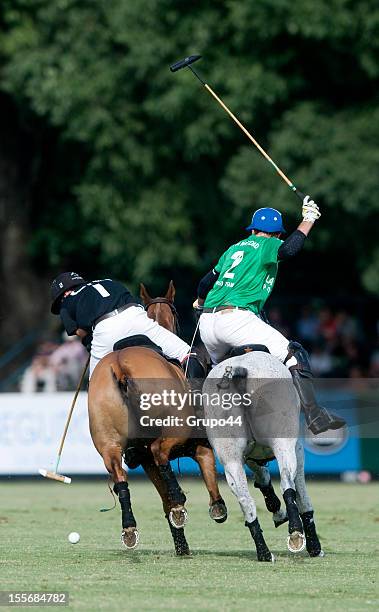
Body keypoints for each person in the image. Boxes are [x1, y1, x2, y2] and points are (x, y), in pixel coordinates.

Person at [193, 196, 346, 435]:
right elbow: (290, 249)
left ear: (252, 229)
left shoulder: (233, 248)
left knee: (217, 372)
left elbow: (204, 283)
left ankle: (200, 418)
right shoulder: (266, 244)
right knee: (294, 354)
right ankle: (314, 414)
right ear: (276, 234)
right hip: (235, 320)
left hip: (207, 323)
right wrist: (308, 220)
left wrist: (201, 303)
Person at [50, 273, 202, 379]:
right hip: (136, 317)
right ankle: (197, 404)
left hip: (105, 330)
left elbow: (80, 332)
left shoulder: (66, 302)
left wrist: (90, 343)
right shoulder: (108, 281)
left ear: (64, 293)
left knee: (96, 382)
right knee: (188, 354)